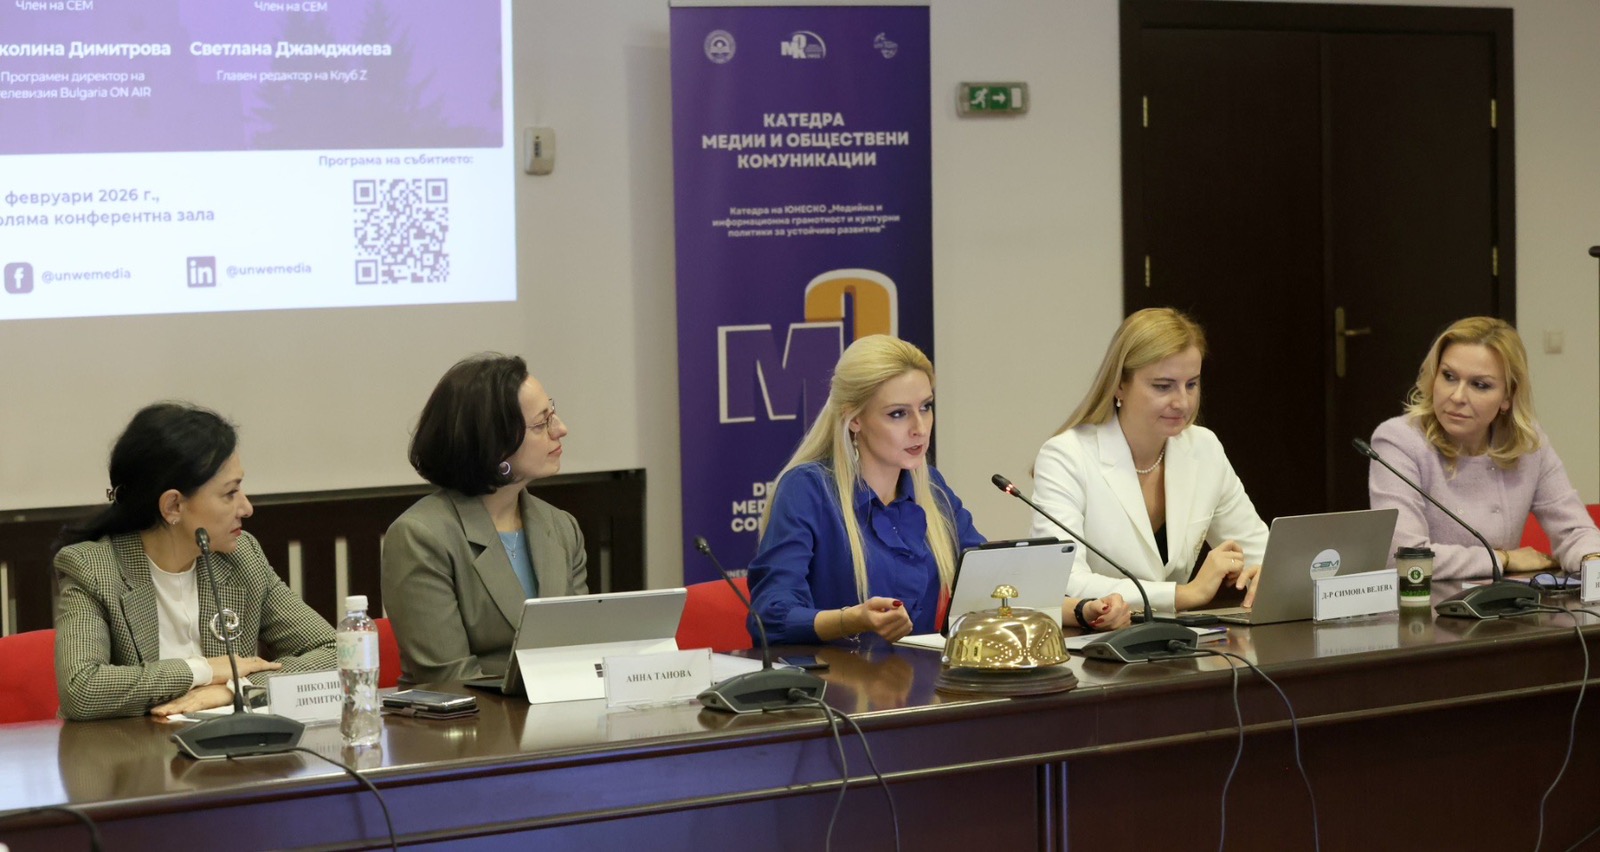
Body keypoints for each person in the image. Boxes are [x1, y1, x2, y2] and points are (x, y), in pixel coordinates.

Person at [747, 335, 1130, 645]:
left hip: (919, 684)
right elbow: (771, 615)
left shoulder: (930, 488)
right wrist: (853, 620)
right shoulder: (808, 490)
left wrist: (1083, 610)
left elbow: (995, 586)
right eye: (898, 414)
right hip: (834, 692)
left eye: (926, 407)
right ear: (855, 419)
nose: (920, 427)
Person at [52, 403, 335, 721]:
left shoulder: (241, 557)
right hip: (134, 749)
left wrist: (235, 688)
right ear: (173, 506)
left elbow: (333, 652)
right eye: (230, 493)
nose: (246, 508)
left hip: (229, 748)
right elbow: (82, 689)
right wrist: (202, 670)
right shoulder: (93, 569)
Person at [1030, 308, 1268, 613]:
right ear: (1119, 385)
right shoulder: (1065, 456)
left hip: (1180, 637)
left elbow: (1262, 552)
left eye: (1191, 384)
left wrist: (1266, 574)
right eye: (1163, 386)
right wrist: (1183, 595)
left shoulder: (1203, 447)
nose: (1182, 402)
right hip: (1095, 638)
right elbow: (1063, 579)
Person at [382, 354, 588, 686]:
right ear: (493, 444)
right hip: (468, 716)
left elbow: (580, 650)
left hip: (559, 710)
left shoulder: (562, 527)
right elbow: (448, 679)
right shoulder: (420, 537)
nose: (561, 429)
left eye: (553, 414)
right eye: (541, 424)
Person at [1368, 316, 1600, 578]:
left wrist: (1592, 560)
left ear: (1507, 396)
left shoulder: (1526, 444)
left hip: (1504, 600)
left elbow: (1575, 531)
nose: (1457, 397)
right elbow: (1404, 557)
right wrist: (1504, 559)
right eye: (1449, 376)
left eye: (1480, 385)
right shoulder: (1399, 440)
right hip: (1426, 600)